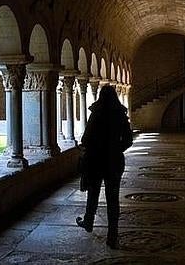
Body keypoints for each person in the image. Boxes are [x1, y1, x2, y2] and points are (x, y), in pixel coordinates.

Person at [76, 85, 133, 249]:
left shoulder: (97, 113)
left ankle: (88, 221)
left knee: (93, 193)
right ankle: (112, 235)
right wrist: (116, 149)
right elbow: (128, 140)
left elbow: (85, 139)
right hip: (114, 162)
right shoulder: (120, 115)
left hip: (96, 160)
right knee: (113, 198)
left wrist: (94, 147)